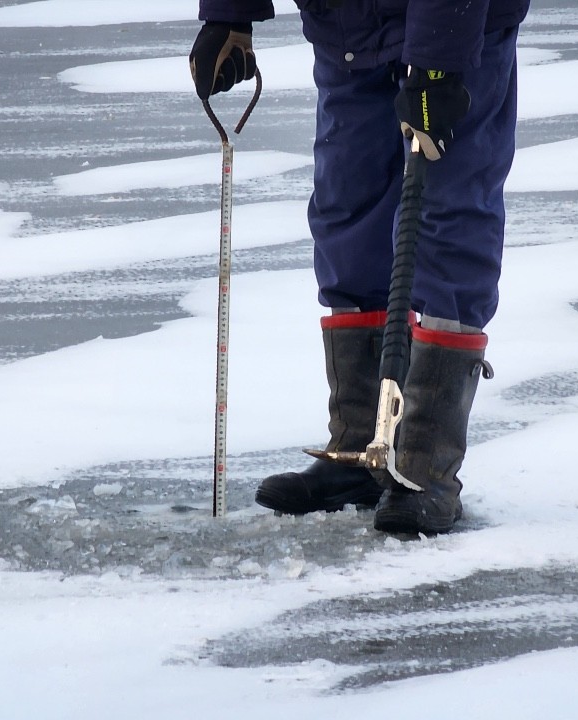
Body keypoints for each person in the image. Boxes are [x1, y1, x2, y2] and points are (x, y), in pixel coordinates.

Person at [190, 0, 530, 535]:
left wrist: (439, 62)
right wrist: (229, 13)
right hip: (347, 25)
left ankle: (425, 463)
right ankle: (359, 447)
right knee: (348, 210)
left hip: (457, 29)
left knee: (447, 217)